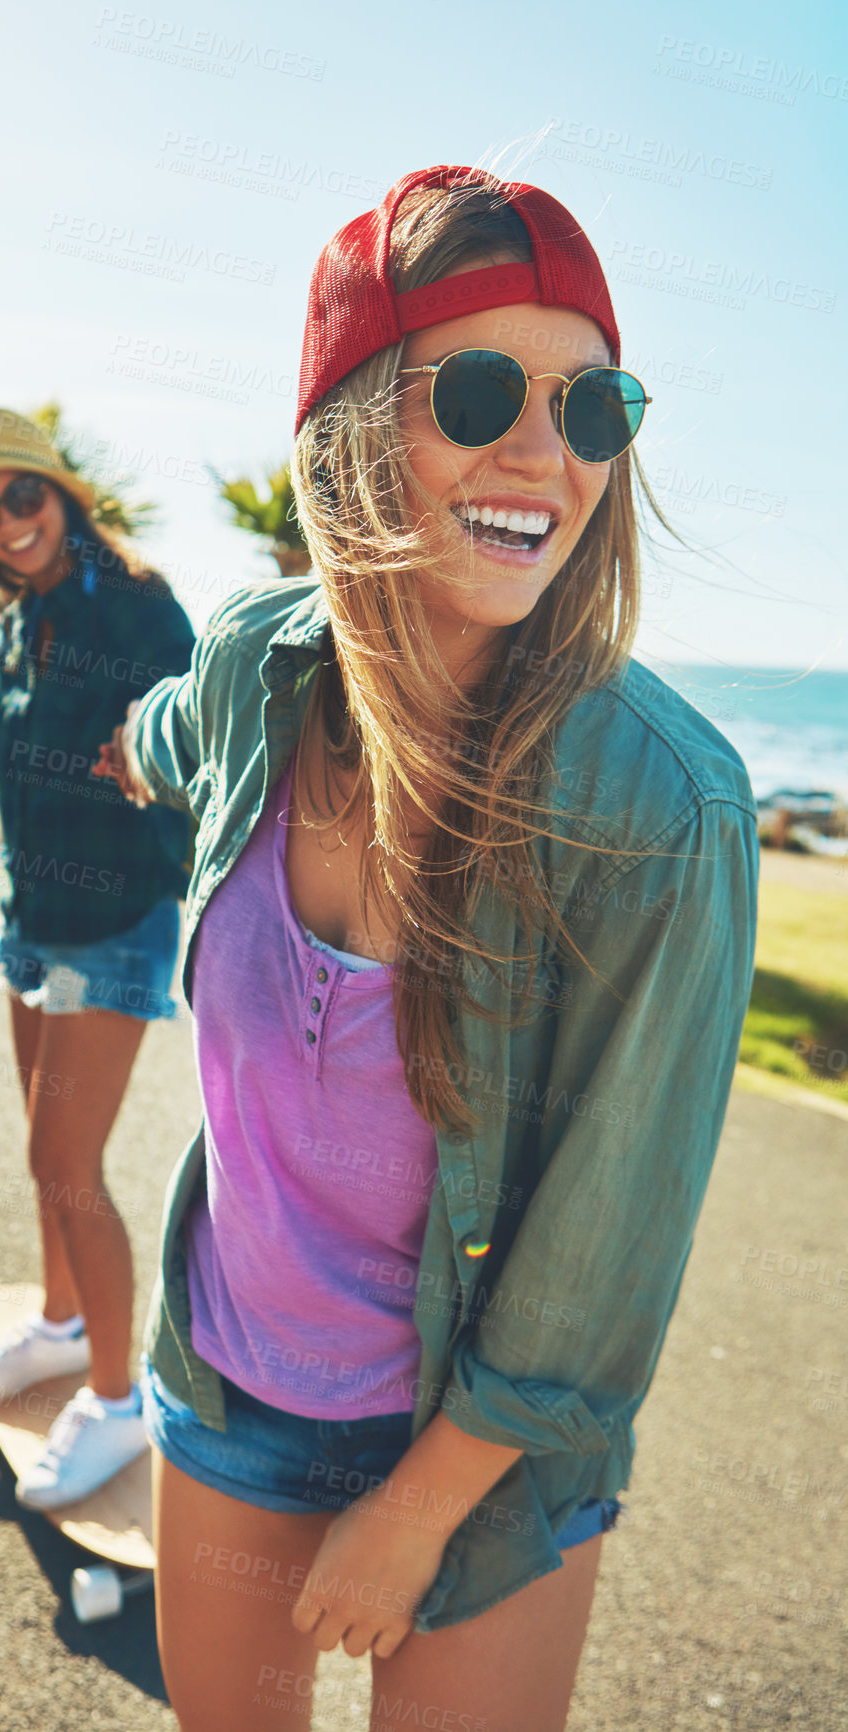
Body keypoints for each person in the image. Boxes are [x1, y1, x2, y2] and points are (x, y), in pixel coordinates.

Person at [94, 166, 758, 1731]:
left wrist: (412, 1513)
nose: (544, 454)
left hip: (488, 1457)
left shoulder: (665, 809)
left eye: (591, 410)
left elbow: (611, 1247)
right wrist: (117, 747)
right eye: (476, 391)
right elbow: (171, 734)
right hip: (229, 1385)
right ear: (349, 431)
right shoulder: (260, 666)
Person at [0, 407, 194, 1507]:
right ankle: (62, 1324)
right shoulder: (7, 617)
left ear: (59, 494)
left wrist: (149, 757)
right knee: (48, 1162)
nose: (5, 524)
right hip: (30, 913)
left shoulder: (133, 601)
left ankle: (118, 1398)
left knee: (67, 1165)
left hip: (114, 919)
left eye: (19, 497)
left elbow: (198, 723)